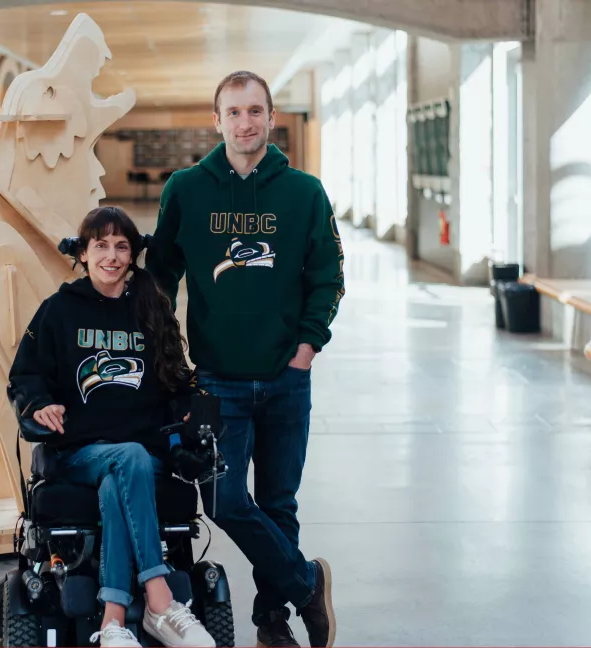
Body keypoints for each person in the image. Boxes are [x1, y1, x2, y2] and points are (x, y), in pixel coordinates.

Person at [145, 70, 345, 648]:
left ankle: (271, 621)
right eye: (233, 112)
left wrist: (305, 350)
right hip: (216, 381)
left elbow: (328, 278)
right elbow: (161, 277)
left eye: (255, 111)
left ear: (271, 117)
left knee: (280, 503)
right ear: (217, 121)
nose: (245, 122)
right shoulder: (186, 188)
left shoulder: (304, 192)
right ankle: (307, 582)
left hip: (286, 377)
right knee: (226, 501)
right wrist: (164, 355)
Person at [8, 206, 217, 648]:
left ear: (132, 255)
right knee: (128, 458)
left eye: (121, 246)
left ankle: (112, 620)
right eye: (100, 245)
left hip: (145, 456)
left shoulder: (151, 309)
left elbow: (179, 381)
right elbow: (25, 376)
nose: (112, 255)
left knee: (117, 482)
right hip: (79, 453)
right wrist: (39, 402)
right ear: (82, 254)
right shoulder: (59, 310)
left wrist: (188, 423)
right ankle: (160, 601)